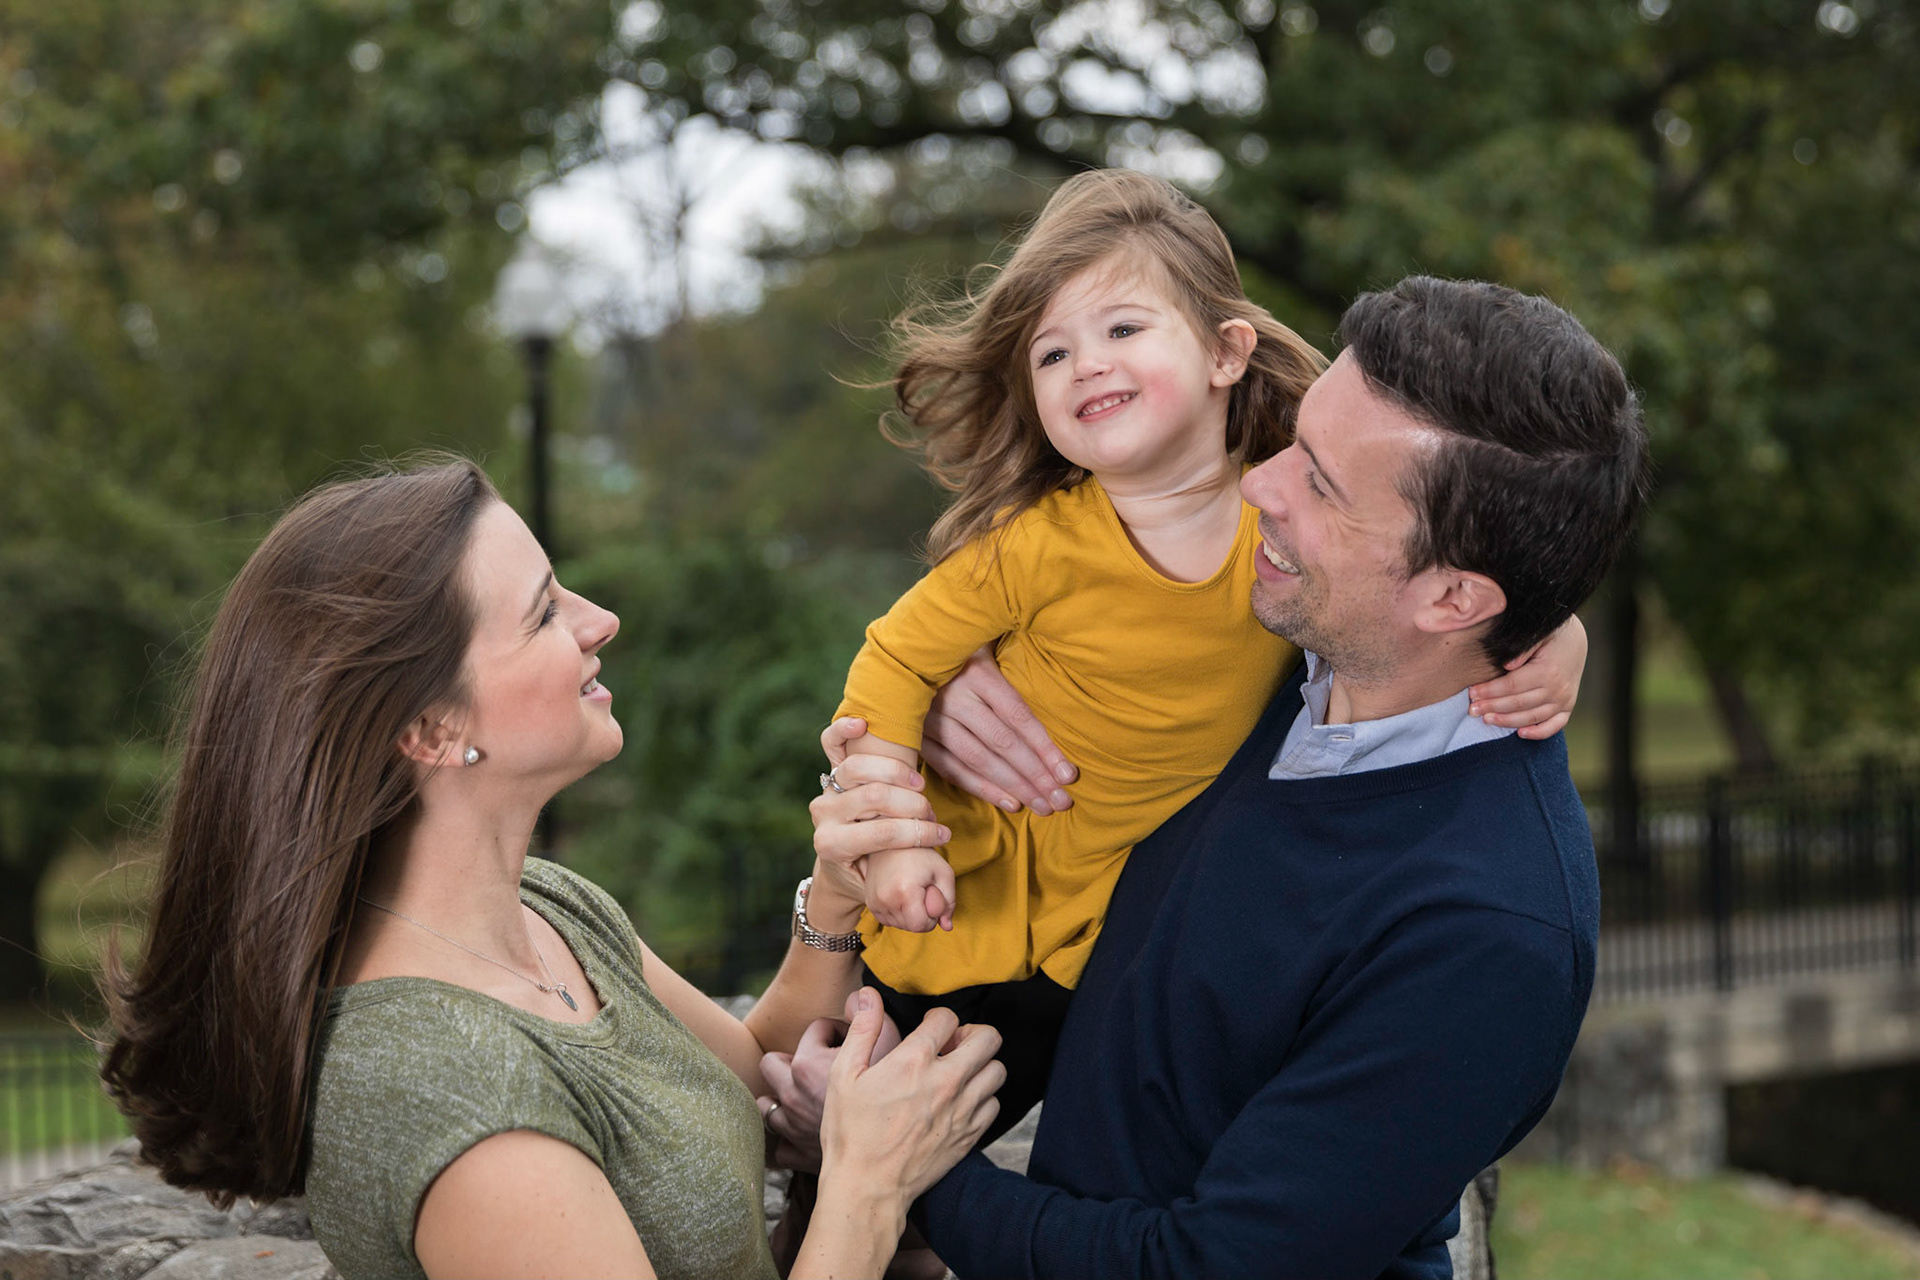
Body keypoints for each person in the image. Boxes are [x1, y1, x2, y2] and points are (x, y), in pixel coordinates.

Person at [787, 275, 1650, 1278]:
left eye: (1319, 483)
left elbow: (1216, 1263)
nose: (1258, 484)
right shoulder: (1287, 659)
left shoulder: (1487, 935)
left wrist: (897, 1171)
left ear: (1455, 595)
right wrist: (949, 691)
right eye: (1294, 441)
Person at [99, 458, 1006, 1280]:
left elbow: (753, 1077)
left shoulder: (547, 909)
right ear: (431, 730)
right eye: (543, 612)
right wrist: (870, 1191)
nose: (600, 620)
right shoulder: (440, 1092)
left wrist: (836, 892)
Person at [831, 171, 1586, 1138]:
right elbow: (892, 663)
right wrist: (893, 838)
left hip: (1115, 938)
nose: (1085, 365)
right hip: (964, 902)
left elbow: (1467, 532)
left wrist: (1555, 628)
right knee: (852, 1168)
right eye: (1052, 352)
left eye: (1123, 330)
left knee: (986, 1175)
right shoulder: (1030, 547)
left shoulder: (1287, 533)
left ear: (1228, 351)